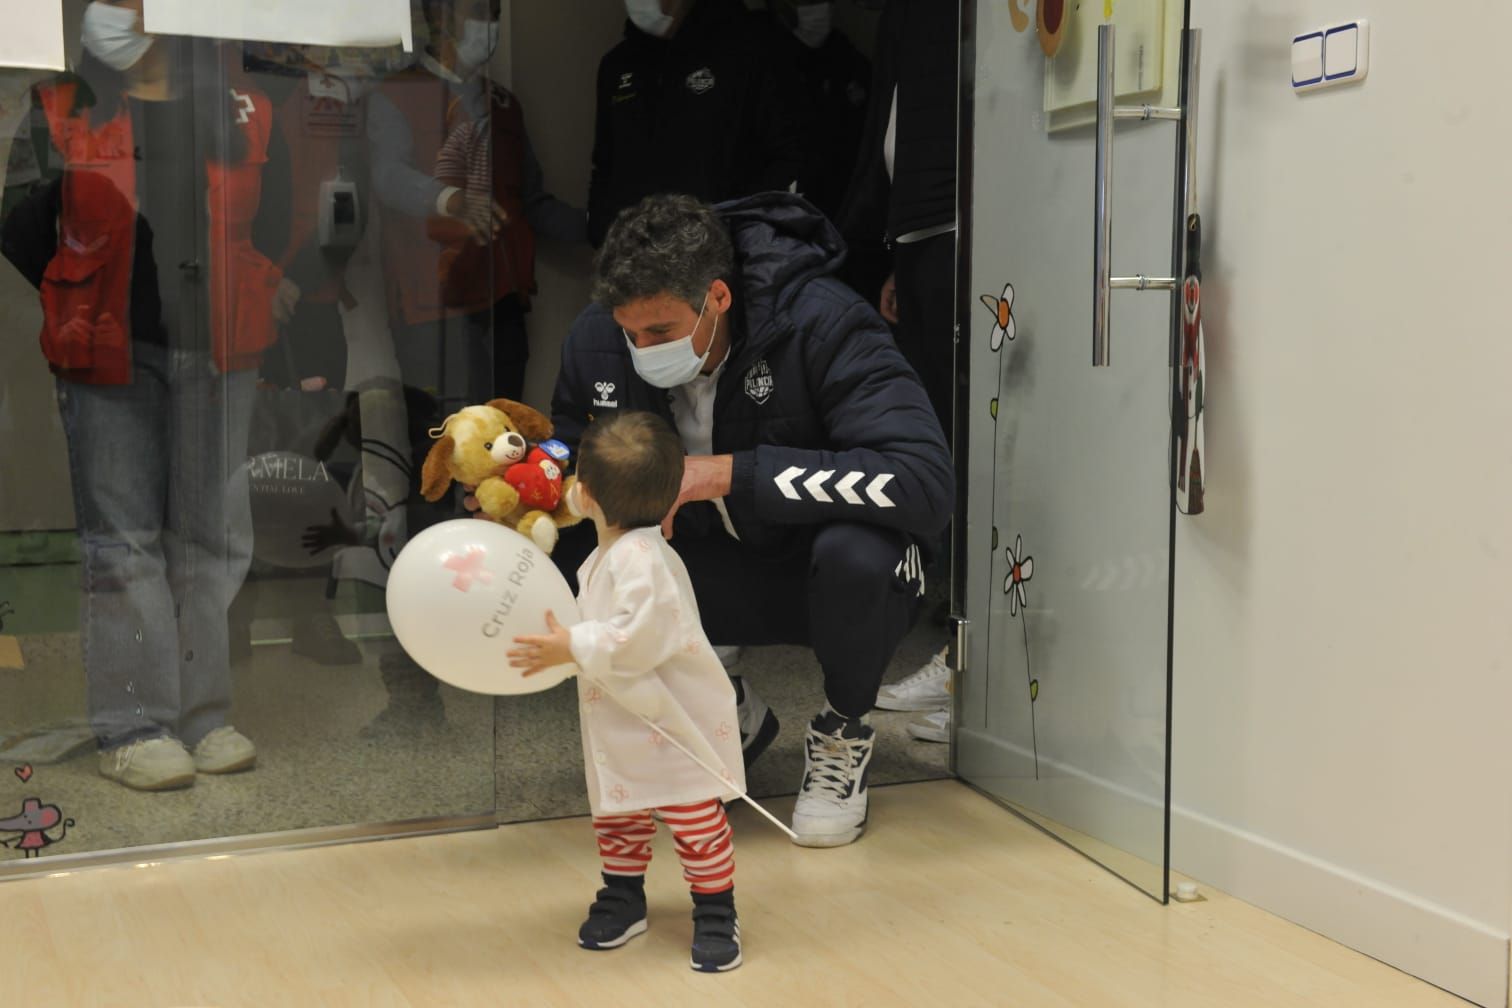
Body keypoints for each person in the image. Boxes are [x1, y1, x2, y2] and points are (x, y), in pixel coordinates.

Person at [549, 193, 953, 847]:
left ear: (717, 298)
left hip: (816, 567)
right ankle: (720, 711)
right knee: (572, 552)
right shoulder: (600, 337)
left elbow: (923, 483)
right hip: (703, 562)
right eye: (629, 332)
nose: (640, 348)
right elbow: (572, 444)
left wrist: (729, 473)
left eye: (658, 333)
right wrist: (527, 482)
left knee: (860, 555)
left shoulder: (823, 323)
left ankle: (842, 730)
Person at [0, 2, 287, 789]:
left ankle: (205, 718)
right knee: (122, 543)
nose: (108, 13)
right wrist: (80, 297)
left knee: (210, 537)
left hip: (219, 348)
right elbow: (19, 222)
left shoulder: (246, 107)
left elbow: (283, 218)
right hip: (111, 353)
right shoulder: (59, 108)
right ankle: (134, 727)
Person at [509, 411, 745, 973]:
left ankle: (716, 909)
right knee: (619, 811)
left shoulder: (641, 561)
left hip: (671, 721)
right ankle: (623, 894)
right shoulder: (608, 555)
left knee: (692, 815)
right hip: (622, 716)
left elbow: (637, 639)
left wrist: (574, 645)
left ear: (583, 494)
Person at [838, 0, 961, 741]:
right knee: (938, 443)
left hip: (968, 224)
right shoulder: (906, 14)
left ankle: (978, 676)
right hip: (915, 234)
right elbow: (890, 121)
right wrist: (886, 248)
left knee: (983, 449)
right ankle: (961, 654)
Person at [368, 0, 585, 409]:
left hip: (501, 301)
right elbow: (387, 176)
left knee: (504, 442)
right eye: (479, 13)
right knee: (444, 445)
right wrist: (449, 199)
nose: (491, 25)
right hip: (431, 306)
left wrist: (602, 227)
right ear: (441, 18)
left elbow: (530, 201)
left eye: (496, 15)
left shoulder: (503, 105)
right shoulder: (397, 93)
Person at [587, 0, 808, 247]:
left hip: (721, 261)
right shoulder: (616, 65)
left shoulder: (747, 50)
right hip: (635, 266)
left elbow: (787, 157)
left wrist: (732, 236)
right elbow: (605, 164)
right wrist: (600, 237)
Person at [755, 0, 871, 221]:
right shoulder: (764, 55)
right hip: (779, 205)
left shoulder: (843, 54)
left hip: (842, 198)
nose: (817, 7)